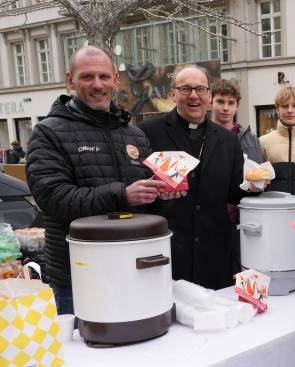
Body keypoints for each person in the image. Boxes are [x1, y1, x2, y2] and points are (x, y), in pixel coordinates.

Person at [26, 46, 166, 315]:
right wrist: (122, 195)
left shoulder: (134, 135)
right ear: (71, 81)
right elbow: (53, 199)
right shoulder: (48, 132)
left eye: (104, 76)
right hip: (79, 278)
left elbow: (147, 204)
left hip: (133, 268)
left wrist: (162, 194)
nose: (97, 84)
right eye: (87, 77)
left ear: (116, 79)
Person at [138, 66, 258, 290]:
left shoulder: (227, 140)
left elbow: (233, 192)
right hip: (169, 250)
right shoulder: (148, 132)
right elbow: (138, 186)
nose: (194, 95)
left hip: (215, 252)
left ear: (209, 96)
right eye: (186, 89)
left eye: (201, 89)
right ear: (173, 94)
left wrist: (254, 187)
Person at [210, 78, 262, 275]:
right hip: (213, 216)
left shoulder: (251, 138)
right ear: (210, 102)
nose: (225, 108)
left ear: (237, 105)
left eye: (230, 103)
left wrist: (260, 184)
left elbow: (258, 172)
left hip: (245, 216)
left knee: (245, 268)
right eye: (220, 102)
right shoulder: (203, 135)